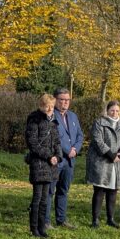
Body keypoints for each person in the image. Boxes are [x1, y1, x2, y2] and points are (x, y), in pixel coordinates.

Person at [86, 100, 120, 228]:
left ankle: (110, 219)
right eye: (112, 110)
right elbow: (97, 140)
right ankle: (95, 219)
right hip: (102, 162)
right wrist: (111, 155)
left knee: (113, 191)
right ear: (107, 111)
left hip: (117, 164)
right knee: (99, 190)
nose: (115, 113)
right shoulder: (99, 123)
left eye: (117, 110)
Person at [25, 94, 61, 238]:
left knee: (45, 199)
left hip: (51, 165)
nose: (50, 109)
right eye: (47, 106)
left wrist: (57, 156)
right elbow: (32, 143)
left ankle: (42, 227)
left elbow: (57, 141)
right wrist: (48, 156)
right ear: (41, 105)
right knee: (37, 198)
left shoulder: (53, 121)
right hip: (39, 163)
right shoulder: (34, 119)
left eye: (52, 106)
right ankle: (34, 228)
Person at [48, 88, 83, 229]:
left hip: (69, 161)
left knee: (63, 190)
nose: (65, 102)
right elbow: (54, 137)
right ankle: (45, 221)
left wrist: (76, 149)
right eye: (62, 99)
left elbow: (80, 135)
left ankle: (61, 220)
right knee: (50, 191)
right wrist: (68, 150)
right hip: (57, 159)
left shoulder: (73, 116)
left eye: (67, 100)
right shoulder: (51, 116)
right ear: (55, 100)